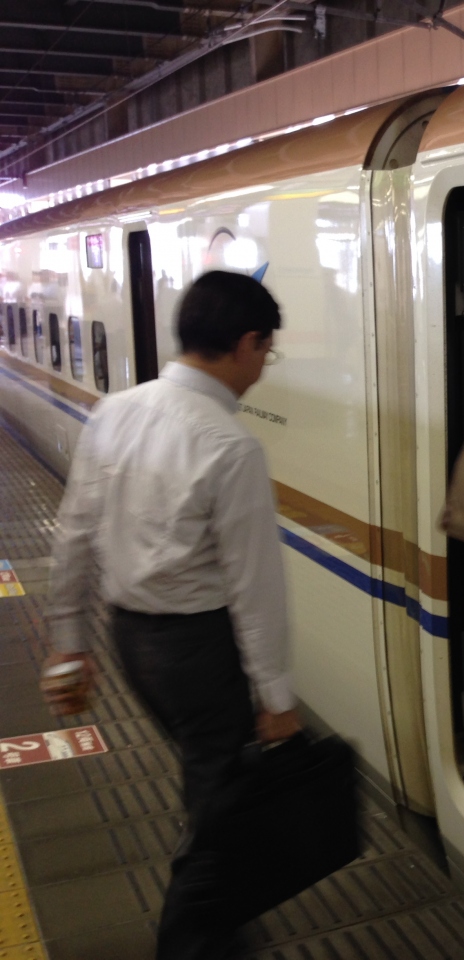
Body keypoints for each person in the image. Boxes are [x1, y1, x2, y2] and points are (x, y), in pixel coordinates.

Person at [44, 270, 300, 960]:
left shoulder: (116, 410)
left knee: (210, 785)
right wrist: (276, 696)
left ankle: (222, 929)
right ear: (246, 344)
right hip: (198, 650)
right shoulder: (229, 444)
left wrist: (70, 642)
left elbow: (74, 535)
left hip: (132, 640)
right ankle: (194, 943)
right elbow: (255, 587)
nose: (263, 369)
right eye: (266, 352)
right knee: (221, 806)